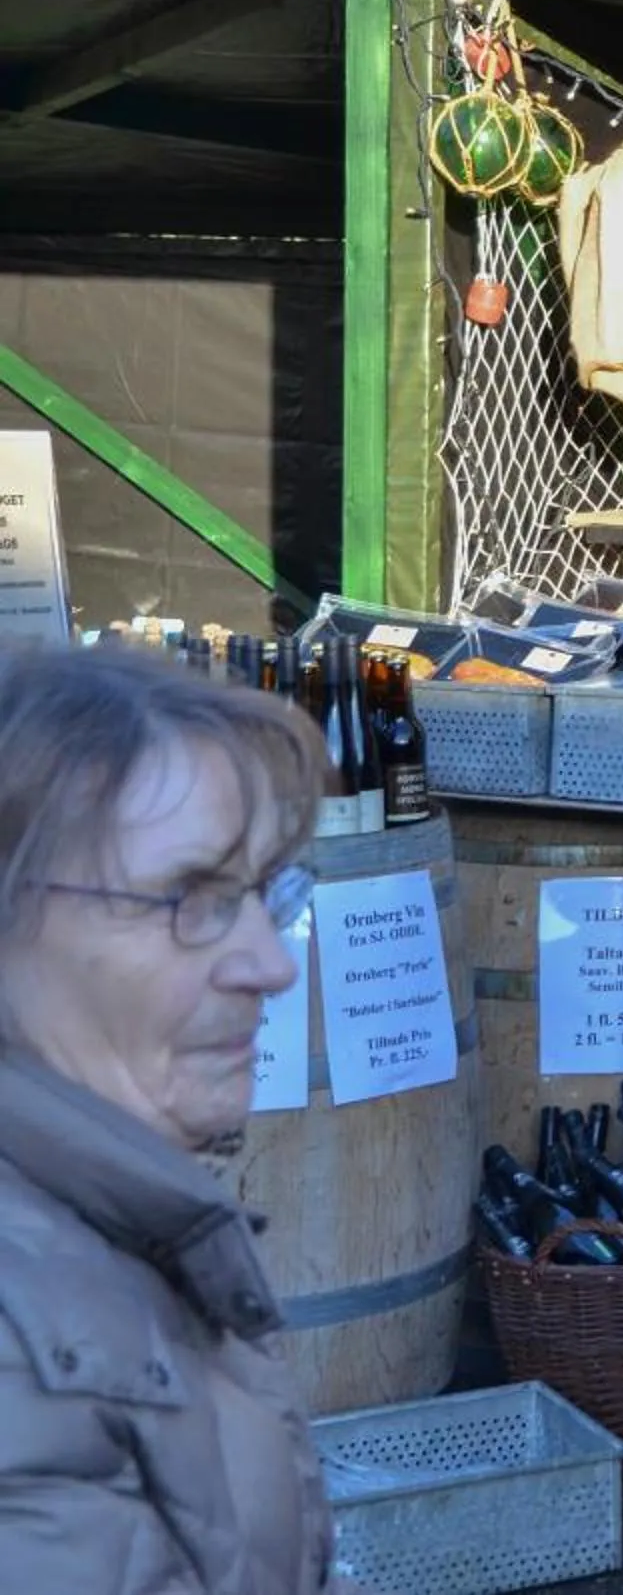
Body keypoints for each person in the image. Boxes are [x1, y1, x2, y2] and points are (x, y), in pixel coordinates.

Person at [0, 646, 336, 1593]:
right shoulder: (22, 1361)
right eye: (192, 898)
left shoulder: (121, 1223)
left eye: (260, 895)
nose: (272, 965)